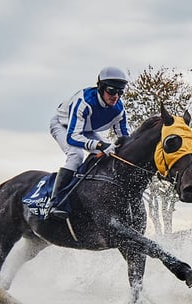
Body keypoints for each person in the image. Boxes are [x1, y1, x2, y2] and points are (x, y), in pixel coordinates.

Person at [44, 66, 131, 219]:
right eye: (111, 90)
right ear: (101, 87)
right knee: (76, 155)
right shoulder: (84, 101)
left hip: (86, 129)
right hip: (62, 126)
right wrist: (99, 145)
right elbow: (73, 137)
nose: (115, 96)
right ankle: (56, 202)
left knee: (109, 153)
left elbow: (125, 137)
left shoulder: (119, 109)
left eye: (120, 92)